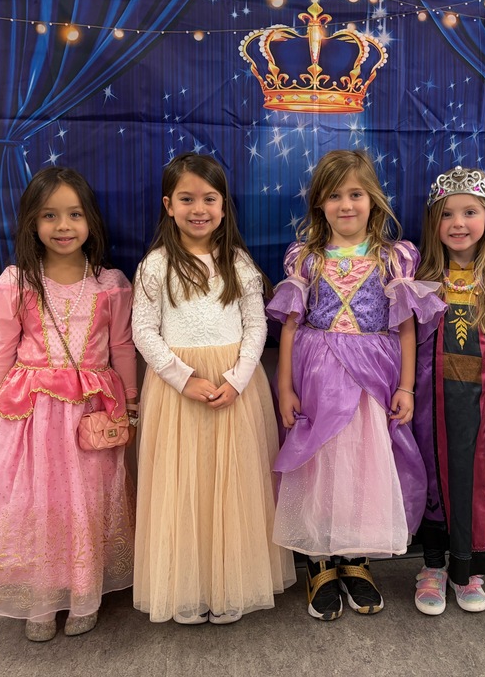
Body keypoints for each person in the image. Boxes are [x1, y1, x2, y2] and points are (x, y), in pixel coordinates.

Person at [0, 167, 138, 642]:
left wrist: (129, 403)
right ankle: (40, 598)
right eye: (50, 215)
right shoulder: (17, 281)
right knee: (39, 503)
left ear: (90, 219)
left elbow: (122, 348)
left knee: (87, 501)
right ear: (32, 222)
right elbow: (3, 350)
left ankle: (82, 593)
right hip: (31, 414)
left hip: (92, 411)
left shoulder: (109, 284)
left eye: (74, 214)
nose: (63, 225)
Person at [268, 149, 443, 621]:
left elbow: (406, 326)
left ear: (374, 200)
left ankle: (355, 558)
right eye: (334, 196)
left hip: (372, 377)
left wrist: (405, 387)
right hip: (317, 375)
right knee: (321, 463)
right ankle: (320, 561)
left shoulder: (395, 257)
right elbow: (288, 325)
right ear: (319, 205)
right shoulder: (304, 259)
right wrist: (284, 389)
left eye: (356, 194)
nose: (346, 205)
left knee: (363, 463)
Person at [131, 153, 295, 625]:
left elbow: (256, 326)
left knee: (233, 486)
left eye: (209, 198)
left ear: (224, 207)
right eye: (186, 199)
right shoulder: (156, 266)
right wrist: (184, 378)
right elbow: (144, 332)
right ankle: (188, 587)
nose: (198, 208)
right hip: (178, 390)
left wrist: (239, 377)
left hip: (233, 388)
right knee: (183, 487)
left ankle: (230, 586)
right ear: (168, 205)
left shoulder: (238, 263)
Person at [411, 166, 485, 616]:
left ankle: (468, 567)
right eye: (448, 215)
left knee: (473, 487)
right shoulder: (419, 282)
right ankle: (433, 566)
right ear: (434, 224)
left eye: (470, 212)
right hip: (426, 413)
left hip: (479, 419)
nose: (458, 223)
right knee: (433, 485)